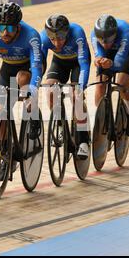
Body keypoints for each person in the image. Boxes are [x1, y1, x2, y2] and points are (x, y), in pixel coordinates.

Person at [0, 2, 44, 140]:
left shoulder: (31, 35)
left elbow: (36, 68)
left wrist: (33, 91)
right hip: (8, 67)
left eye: (10, 28)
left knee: (22, 78)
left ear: (18, 26)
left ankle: (33, 113)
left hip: (29, 66)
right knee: (0, 110)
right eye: (2, 27)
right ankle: (5, 153)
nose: (5, 32)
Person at [41, 14, 91, 159]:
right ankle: (62, 126)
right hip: (60, 62)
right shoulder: (43, 38)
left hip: (78, 63)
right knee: (50, 91)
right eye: (53, 39)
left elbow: (84, 64)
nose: (57, 43)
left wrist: (81, 86)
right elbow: (40, 63)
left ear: (67, 33)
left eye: (61, 38)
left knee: (76, 97)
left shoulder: (77, 33)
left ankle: (83, 141)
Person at [91, 14, 129, 136]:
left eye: (108, 40)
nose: (104, 43)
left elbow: (119, 62)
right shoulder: (94, 34)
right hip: (110, 53)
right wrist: (98, 60)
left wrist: (110, 63)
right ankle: (101, 117)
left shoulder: (126, 32)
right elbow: (99, 53)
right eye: (101, 40)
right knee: (100, 83)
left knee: (122, 85)